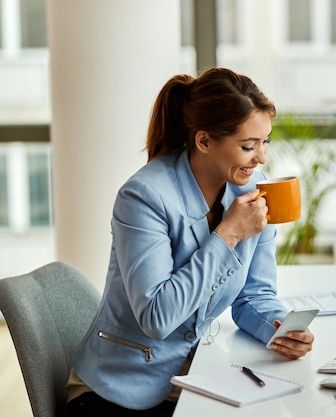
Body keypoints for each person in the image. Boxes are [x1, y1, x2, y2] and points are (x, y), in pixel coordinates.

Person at [64, 67, 314, 417]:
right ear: (204, 141)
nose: (261, 158)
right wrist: (228, 234)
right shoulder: (143, 197)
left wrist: (279, 329)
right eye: (248, 146)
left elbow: (254, 296)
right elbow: (157, 317)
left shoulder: (252, 190)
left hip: (191, 380)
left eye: (265, 141)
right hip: (117, 392)